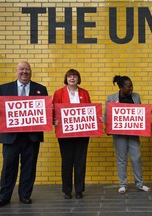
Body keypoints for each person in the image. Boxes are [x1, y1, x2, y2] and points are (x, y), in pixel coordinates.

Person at [0, 61, 48, 207]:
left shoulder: (40, 89)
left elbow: (46, 110)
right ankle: (4, 197)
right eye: (21, 69)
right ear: (16, 71)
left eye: (27, 69)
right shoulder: (4, 88)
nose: (24, 72)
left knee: (29, 167)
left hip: (31, 136)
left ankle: (25, 195)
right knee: (8, 167)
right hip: (11, 136)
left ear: (31, 71)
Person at [103, 75, 151, 194]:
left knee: (136, 157)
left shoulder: (136, 97)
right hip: (119, 134)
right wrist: (107, 126)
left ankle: (139, 184)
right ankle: (123, 184)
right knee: (122, 159)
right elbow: (106, 116)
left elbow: (139, 113)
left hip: (133, 133)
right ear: (120, 87)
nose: (131, 89)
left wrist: (146, 114)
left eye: (132, 86)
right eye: (128, 87)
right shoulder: (111, 98)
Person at [52, 69, 91, 199]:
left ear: (78, 78)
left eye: (75, 76)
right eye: (70, 76)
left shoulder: (84, 93)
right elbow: (53, 110)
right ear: (66, 79)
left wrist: (97, 118)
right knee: (67, 161)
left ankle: (79, 190)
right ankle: (67, 190)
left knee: (80, 162)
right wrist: (54, 120)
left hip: (82, 133)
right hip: (65, 133)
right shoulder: (58, 93)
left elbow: (89, 110)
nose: (72, 78)